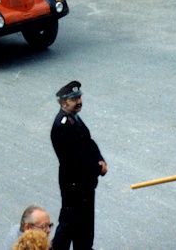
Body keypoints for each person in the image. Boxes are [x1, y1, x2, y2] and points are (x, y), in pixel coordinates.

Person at [50, 81, 106, 250]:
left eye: (79, 97)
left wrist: (100, 158)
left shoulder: (75, 118)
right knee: (69, 223)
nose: (79, 101)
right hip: (74, 184)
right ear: (63, 103)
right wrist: (98, 168)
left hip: (85, 183)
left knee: (86, 222)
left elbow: (89, 142)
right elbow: (75, 159)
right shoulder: (62, 126)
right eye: (74, 99)